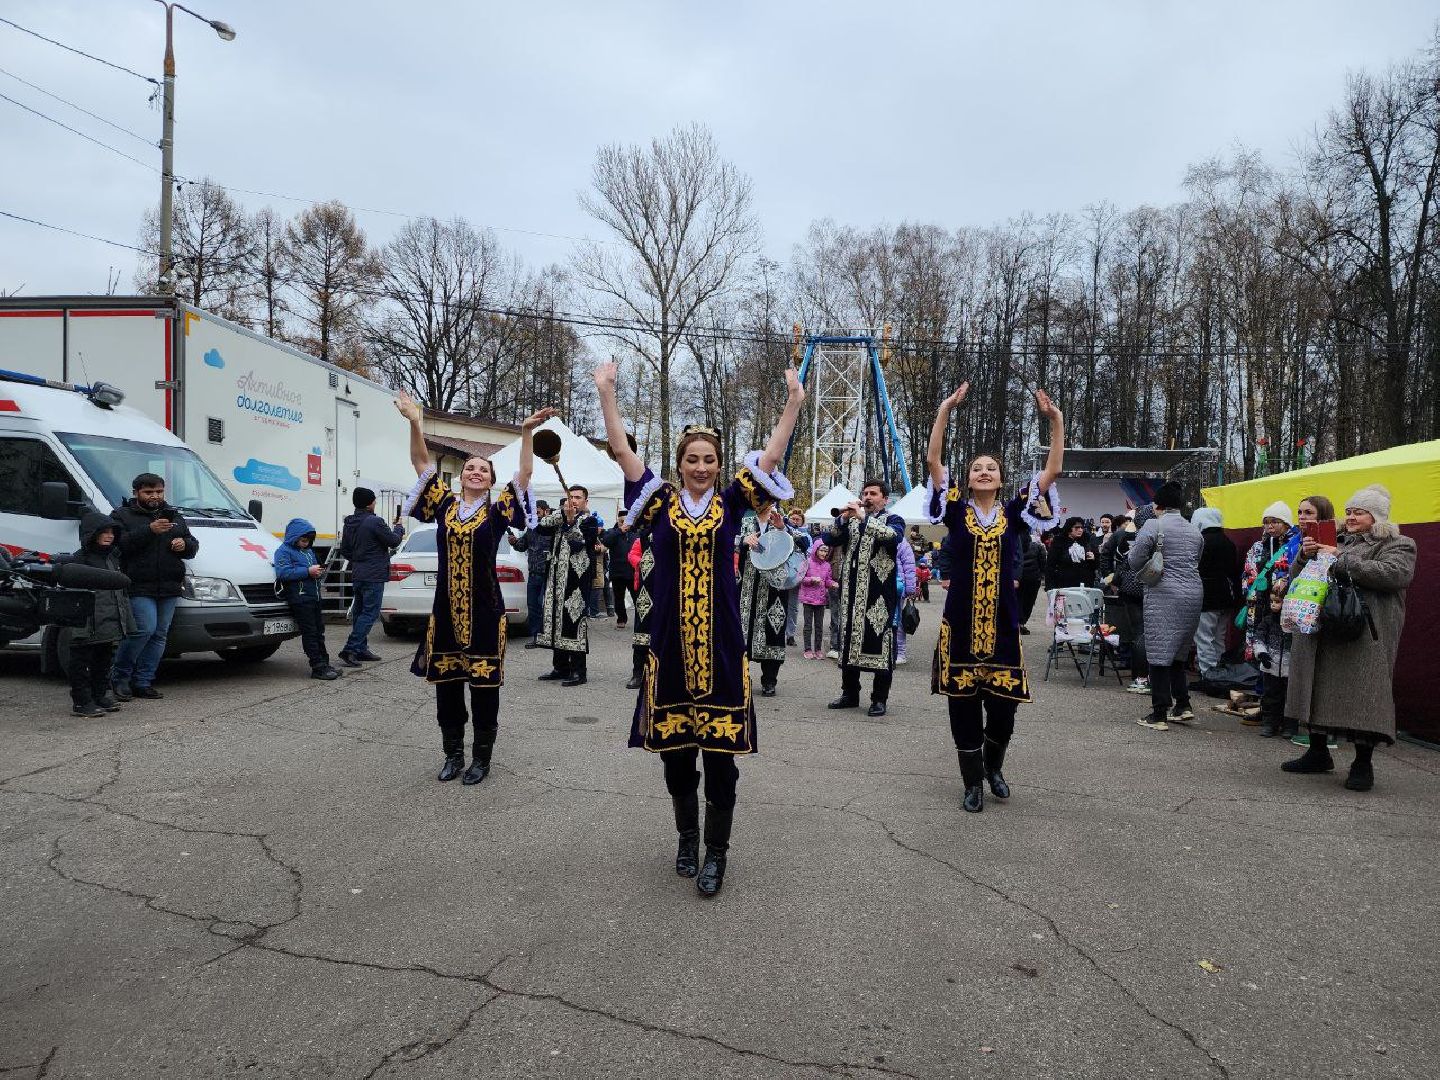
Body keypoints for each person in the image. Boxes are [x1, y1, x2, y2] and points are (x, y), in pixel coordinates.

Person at [595, 357, 804, 896]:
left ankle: (717, 853)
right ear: (680, 463)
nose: (702, 467)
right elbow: (622, 452)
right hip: (670, 644)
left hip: (721, 644)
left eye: (710, 459)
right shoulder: (659, 500)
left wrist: (793, 403)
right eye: (693, 459)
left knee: (722, 760)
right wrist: (607, 393)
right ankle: (686, 839)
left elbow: (771, 455)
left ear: (719, 464)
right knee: (675, 755)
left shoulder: (733, 501)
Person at [925, 382, 1065, 812]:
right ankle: (972, 782)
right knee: (963, 706)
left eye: (991, 468)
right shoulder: (955, 509)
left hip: (1003, 625)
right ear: (967, 479)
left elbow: (1052, 471)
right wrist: (945, 409)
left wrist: (1056, 420)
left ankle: (994, 766)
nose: (984, 472)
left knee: (1004, 708)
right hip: (961, 626)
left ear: (1002, 479)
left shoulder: (1015, 514)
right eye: (976, 468)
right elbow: (933, 461)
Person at [396, 392, 549, 784]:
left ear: (492, 480)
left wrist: (526, 432)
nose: (476, 472)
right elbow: (421, 463)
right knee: (447, 688)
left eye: (483, 469)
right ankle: (452, 755)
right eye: (470, 468)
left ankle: (481, 759)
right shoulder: (444, 506)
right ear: (461, 477)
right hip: (445, 612)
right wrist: (414, 421)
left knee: (484, 688)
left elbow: (524, 474)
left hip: (485, 612)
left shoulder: (497, 512)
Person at [1283, 486, 1414, 791]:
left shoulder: (1399, 543)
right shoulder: (1334, 537)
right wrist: (1305, 555)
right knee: (1319, 686)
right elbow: (1298, 576)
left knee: (1365, 695)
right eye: (1350, 511)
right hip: (1325, 625)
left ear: (1376, 516)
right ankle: (1317, 752)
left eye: (1360, 512)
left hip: (1366, 631)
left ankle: (1362, 763)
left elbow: (1395, 575)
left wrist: (1339, 558)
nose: (1351, 517)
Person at [110, 472, 198, 701]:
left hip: (169, 585)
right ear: (136, 492)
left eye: (159, 491)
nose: (155, 496)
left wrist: (184, 544)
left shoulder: (174, 515)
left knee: (159, 634)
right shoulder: (122, 515)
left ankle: (143, 681)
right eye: (148, 492)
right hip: (138, 584)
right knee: (144, 630)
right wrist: (150, 530)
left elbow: (193, 545)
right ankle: (120, 677)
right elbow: (119, 546)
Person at [824, 480, 906, 718]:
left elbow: (893, 538)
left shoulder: (894, 519)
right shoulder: (851, 521)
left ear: (884, 499)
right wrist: (842, 519)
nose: (868, 497)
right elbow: (829, 539)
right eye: (865, 493)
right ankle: (850, 694)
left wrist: (863, 518)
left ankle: (879, 699)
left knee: (879, 642)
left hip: (879, 596)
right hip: (851, 595)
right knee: (849, 642)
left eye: (873, 493)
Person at [1128, 483, 1203, 730]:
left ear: (1157, 504)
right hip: (1193, 593)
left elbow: (1135, 558)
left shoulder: (1153, 524)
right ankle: (1182, 704)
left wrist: (1148, 567)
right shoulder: (1194, 530)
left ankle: (1159, 712)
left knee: (1159, 651)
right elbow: (1197, 558)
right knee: (1179, 651)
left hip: (1164, 593)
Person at [58, 512, 133, 717]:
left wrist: (124, 619)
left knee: (104, 660)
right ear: (92, 534)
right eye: (104, 532)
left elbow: (119, 591)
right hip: (86, 621)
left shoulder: (112, 557)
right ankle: (82, 701)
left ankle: (99, 695)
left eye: (112, 532)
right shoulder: (80, 559)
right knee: (81, 662)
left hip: (108, 620)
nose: (109, 536)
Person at [1239, 501, 1300, 735]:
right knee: (1264, 657)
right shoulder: (1259, 546)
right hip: (1261, 607)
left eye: (1275, 521)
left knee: (1286, 665)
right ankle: (1267, 710)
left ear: (1286, 523)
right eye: (1266, 522)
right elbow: (1248, 571)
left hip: (1285, 606)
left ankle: (1287, 716)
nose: (1270, 526)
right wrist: (1252, 586)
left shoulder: (1294, 544)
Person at [1283, 496, 1338, 750]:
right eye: (1300, 512)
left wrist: (1330, 553)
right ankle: (1312, 734)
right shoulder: (1300, 541)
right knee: (1304, 677)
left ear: (1323, 515)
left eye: (1308, 513)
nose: (1302, 517)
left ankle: (1327, 733)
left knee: (1325, 678)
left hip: (1329, 616)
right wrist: (1303, 556)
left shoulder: (1337, 540)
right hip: (1305, 615)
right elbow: (1294, 577)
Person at [739, 503, 807, 697]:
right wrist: (742, 540)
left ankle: (769, 680)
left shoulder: (780, 520)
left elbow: (804, 543)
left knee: (773, 629)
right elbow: (723, 540)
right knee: (741, 631)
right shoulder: (744, 521)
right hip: (746, 586)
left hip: (775, 589)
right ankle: (741, 678)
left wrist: (783, 528)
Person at [535, 485, 600, 687]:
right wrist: (560, 515)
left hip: (576, 581)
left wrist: (571, 522)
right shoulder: (560, 518)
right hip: (556, 579)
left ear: (585, 501)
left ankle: (579, 671)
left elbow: (578, 544)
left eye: (578, 497)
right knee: (557, 620)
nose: (573, 500)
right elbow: (540, 528)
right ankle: (560, 667)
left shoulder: (589, 521)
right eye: (570, 497)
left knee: (574, 620)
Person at [337, 487, 404, 666]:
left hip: (358, 573)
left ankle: (360, 649)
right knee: (370, 613)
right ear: (369, 504)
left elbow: (345, 550)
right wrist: (399, 528)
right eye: (374, 500)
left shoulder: (349, 522)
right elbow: (394, 541)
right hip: (374, 575)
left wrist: (359, 560)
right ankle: (350, 649)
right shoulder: (374, 522)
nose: (375, 503)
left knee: (359, 612)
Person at [273, 519, 341, 681]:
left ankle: (325, 663)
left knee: (319, 632)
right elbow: (283, 573)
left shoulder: (309, 552)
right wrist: (308, 571)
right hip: (300, 599)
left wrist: (318, 573)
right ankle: (317, 667)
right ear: (293, 537)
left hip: (314, 596)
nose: (306, 543)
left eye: (309, 541)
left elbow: (312, 571)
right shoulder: (283, 551)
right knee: (310, 633)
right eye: (303, 540)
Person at [1191, 507, 1241, 680]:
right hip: (1226, 596)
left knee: (1204, 638)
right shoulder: (1228, 542)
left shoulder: (1201, 541)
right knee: (1220, 637)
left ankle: (1208, 674)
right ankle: (1220, 673)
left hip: (1206, 597)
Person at [508, 500, 552, 648]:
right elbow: (523, 546)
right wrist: (514, 542)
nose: (535, 515)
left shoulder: (552, 528)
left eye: (538, 511)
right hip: (534, 573)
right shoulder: (531, 528)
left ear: (546, 511)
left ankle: (549, 636)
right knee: (533, 606)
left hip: (549, 573)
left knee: (548, 605)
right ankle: (537, 637)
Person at [625, 523, 654, 690]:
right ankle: (638, 672)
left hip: (667, 589)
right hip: (645, 589)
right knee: (642, 630)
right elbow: (633, 555)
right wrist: (643, 562)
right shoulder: (644, 535)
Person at [798, 542, 834, 658]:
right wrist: (811, 579)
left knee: (819, 626)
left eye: (826, 551)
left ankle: (818, 649)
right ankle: (808, 649)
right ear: (816, 550)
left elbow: (827, 580)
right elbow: (800, 578)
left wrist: (832, 584)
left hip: (821, 600)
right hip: (808, 600)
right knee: (808, 626)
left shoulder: (827, 565)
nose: (824, 553)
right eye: (821, 550)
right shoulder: (807, 562)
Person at [602, 515, 634, 628]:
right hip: (618, 571)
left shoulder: (634, 533)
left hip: (633, 571)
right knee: (619, 597)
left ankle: (641, 621)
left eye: (626, 521)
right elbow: (606, 541)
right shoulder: (612, 532)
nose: (624, 523)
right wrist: (619, 531)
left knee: (637, 597)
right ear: (618, 521)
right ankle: (621, 618)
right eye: (621, 521)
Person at [1047, 517, 1096, 589]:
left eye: (1082, 527)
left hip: (1085, 583)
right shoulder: (1059, 542)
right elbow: (1050, 565)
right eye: (1077, 527)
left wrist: (1093, 559)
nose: (1080, 530)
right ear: (1069, 528)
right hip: (1064, 583)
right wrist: (1050, 587)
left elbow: (1093, 566)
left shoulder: (1086, 542)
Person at [894, 535, 918, 664]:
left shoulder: (902, 542)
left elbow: (909, 567)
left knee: (897, 621)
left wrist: (910, 589)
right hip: (894, 585)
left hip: (897, 586)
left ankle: (900, 653)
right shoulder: (903, 542)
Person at [1016, 529, 1046, 634]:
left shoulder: (1014, 546)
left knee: (1017, 600)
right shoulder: (1038, 546)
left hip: (1018, 578)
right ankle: (1022, 623)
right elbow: (1043, 562)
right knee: (1028, 602)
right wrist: (1041, 574)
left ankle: (1016, 623)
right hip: (1033, 579)